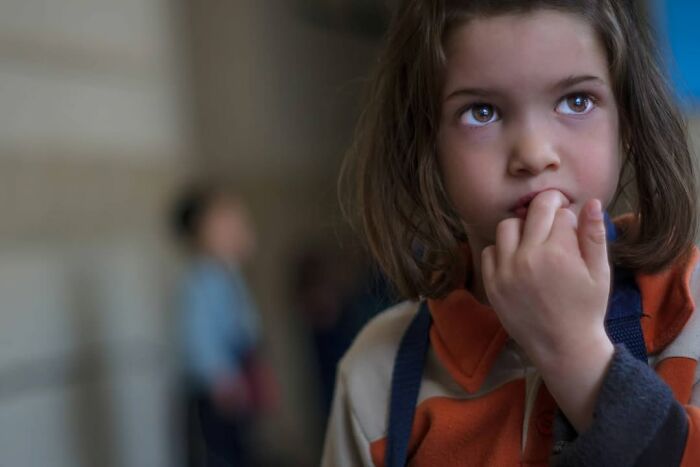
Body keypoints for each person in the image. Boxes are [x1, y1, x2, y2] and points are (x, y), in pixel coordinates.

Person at [322, 1, 700, 466]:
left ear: (626, 121)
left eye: (576, 101)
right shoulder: (376, 374)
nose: (534, 154)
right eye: (481, 111)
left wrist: (576, 357)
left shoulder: (691, 312)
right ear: (425, 146)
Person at [171, 184, 275, 467]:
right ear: (199, 232)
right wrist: (221, 378)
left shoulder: (227, 273)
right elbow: (197, 336)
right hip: (215, 391)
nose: (237, 227)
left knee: (242, 449)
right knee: (217, 455)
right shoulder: (201, 278)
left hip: (237, 378)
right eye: (226, 221)